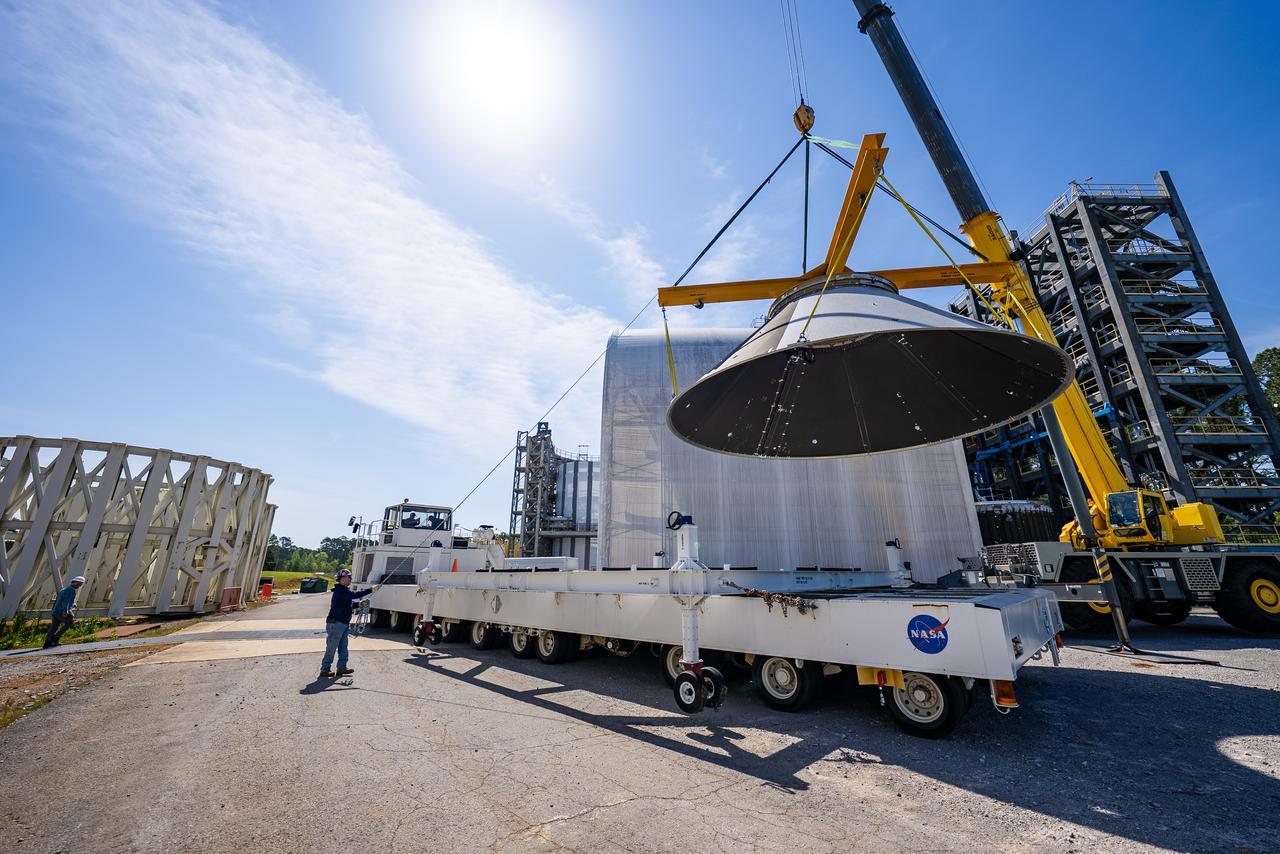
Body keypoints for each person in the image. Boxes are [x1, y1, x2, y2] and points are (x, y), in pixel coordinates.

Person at [320, 569, 377, 677]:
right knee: (332, 647)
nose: (350, 579)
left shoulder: (343, 591)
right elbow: (354, 595)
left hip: (343, 624)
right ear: (341, 579)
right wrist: (371, 590)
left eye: (350, 577)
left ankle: (342, 668)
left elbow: (349, 603)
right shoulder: (341, 591)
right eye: (348, 577)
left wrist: (359, 604)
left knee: (343, 646)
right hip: (336, 623)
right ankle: (325, 669)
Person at [43, 576, 86, 649]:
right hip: (61, 611)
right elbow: (66, 602)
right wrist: (65, 611)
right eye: (80, 584)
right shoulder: (71, 590)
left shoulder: (64, 589)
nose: (80, 586)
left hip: (55, 611)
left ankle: (47, 642)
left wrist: (72, 605)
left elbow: (60, 600)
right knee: (70, 622)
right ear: (78, 583)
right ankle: (56, 637)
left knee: (54, 627)